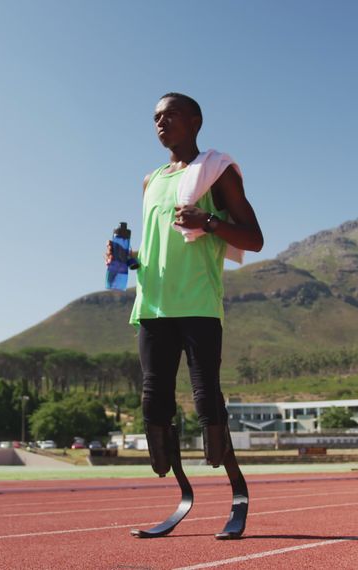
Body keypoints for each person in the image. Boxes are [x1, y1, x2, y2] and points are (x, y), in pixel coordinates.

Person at [109, 92, 263, 538]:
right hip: (153, 305)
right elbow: (159, 244)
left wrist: (210, 221)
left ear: (195, 121)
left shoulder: (217, 171)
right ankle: (182, 492)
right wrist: (127, 258)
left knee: (205, 398)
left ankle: (236, 493)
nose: (161, 122)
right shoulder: (150, 180)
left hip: (197, 303)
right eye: (155, 117)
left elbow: (254, 239)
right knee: (154, 400)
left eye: (170, 114)